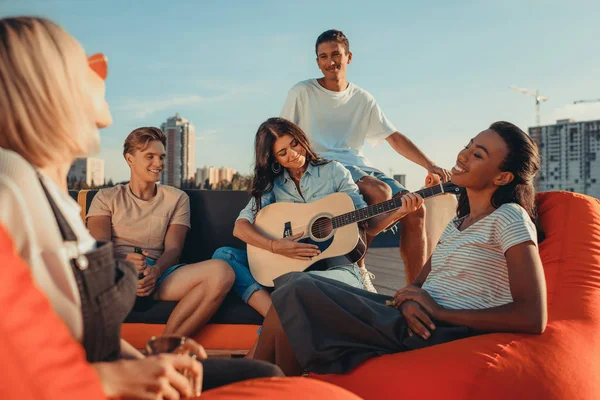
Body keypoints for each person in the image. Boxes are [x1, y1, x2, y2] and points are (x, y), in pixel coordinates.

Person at [0, 16, 281, 399]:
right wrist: (110, 381)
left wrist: (144, 363)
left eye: (161, 156)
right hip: (86, 386)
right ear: (45, 88)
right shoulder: (10, 186)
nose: (101, 68)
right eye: (84, 64)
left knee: (263, 372)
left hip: (113, 349)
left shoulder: (51, 196)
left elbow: (83, 336)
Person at [252, 121, 548, 376]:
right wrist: (409, 301)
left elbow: (532, 317)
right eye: (469, 146)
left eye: (478, 155)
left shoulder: (509, 217)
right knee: (290, 285)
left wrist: (440, 312)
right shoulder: (458, 224)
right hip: (410, 319)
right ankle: (268, 388)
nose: (463, 155)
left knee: (296, 290)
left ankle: (250, 387)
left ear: (502, 177)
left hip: (437, 332)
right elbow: (416, 286)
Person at [280, 29, 453, 289]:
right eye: (323, 56)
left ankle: (415, 294)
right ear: (317, 61)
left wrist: (430, 165)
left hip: (358, 167)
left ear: (349, 57)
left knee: (416, 209)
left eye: (336, 55)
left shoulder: (362, 98)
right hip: (319, 167)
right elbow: (281, 134)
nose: (330, 62)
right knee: (378, 191)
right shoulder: (302, 92)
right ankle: (357, 268)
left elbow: (393, 136)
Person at [212, 117, 422, 319]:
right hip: (287, 264)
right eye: (283, 153)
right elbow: (240, 228)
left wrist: (400, 212)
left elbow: (369, 227)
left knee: (301, 283)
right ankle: (272, 314)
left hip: (333, 268)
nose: (293, 154)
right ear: (274, 159)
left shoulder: (333, 171)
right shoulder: (272, 186)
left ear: (301, 138)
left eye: (295, 144)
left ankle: (280, 318)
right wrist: (276, 246)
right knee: (224, 255)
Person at [87, 127, 235, 337]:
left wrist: (156, 271)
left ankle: (164, 348)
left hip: (160, 275)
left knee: (223, 271)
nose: (158, 164)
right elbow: (99, 248)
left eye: (162, 157)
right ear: (130, 159)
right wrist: (124, 260)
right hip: (116, 274)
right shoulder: (106, 198)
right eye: (150, 156)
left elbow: (174, 249)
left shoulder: (177, 198)